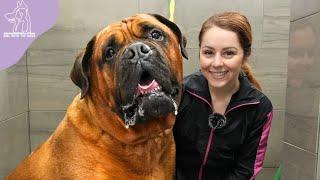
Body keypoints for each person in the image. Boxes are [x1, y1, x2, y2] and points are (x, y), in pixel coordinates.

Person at [173, 12, 273, 180]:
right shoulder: (181, 93)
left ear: (245, 56)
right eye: (208, 52)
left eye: (228, 53)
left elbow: (246, 170)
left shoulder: (259, 107)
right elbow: (161, 152)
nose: (217, 63)